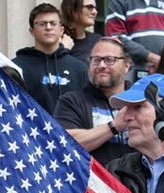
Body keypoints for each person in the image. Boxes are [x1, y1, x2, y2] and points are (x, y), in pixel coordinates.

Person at [54, 36, 134, 164]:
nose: (101, 65)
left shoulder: (140, 100)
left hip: (136, 182)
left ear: (126, 66)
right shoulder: (71, 101)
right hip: (91, 182)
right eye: (96, 60)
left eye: (109, 60)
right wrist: (114, 126)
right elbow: (64, 143)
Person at [13, 2, 88, 114]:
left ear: (61, 30)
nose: (48, 27)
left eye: (53, 23)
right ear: (31, 31)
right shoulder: (16, 67)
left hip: (71, 130)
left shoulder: (79, 68)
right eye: (42, 24)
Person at [59, 0, 102, 64]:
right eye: (89, 7)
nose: (95, 12)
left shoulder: (97, 40)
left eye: (95, 8)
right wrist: (63, 50)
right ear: (72, 10)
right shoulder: (57, 40)